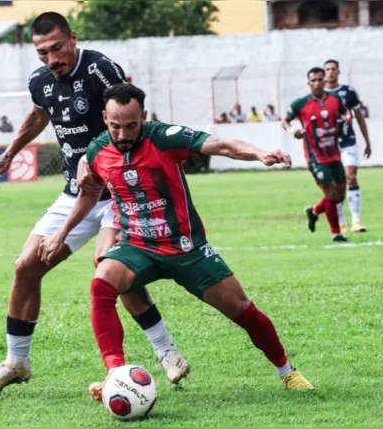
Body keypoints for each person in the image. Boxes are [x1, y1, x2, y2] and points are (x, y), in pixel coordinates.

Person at [38, 84, 314, 401]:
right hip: (136, 246)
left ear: (143, 116)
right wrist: (60, 234)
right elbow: (87, 195)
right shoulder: (98, 150)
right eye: (115, 126)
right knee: (103, 281)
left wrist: (260, 153)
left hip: (186, 248)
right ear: (105, 118)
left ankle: (287, 372)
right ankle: (116, 373)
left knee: (242, 310)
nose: (123, 133)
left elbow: (222, 146)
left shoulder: (165, 137)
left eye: (131, 125)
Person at [0, 12, 189, 395]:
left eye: (57, 48)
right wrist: (10, 152)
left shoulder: (99, 69)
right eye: (42, 53)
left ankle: (166, 352)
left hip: (120, 191)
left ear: (72, 38)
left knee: (108, 265)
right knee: (26, 266)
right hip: (77, 192)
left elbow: (129, 114)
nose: (51, 59)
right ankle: (16, 362)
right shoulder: (40, 81)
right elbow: (40, 114)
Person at [282, 67, 350, 243]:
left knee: (340, 195)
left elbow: (345, 112)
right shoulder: (301, 103)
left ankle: (313, 211)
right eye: (313, 80)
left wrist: (348, 117)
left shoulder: (335, 99)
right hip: (316, 158)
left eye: (320, 80)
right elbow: (285, 120)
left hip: (335, 155)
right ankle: (336, 233)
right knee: (331, 193)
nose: (317, 83)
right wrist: (293, 131)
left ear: (325, 81)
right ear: (308, 83)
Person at [324, 59, 372, 233]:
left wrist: (367, 141)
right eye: (327, 69)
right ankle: (341, 223)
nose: (330, 72)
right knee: (336, 185)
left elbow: (359, 117)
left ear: (338, 72)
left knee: (351, 177)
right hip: (328, 146)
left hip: (348, 142)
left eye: (333, 69)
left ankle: (357, 222)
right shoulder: (319, 95)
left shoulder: (348, 92)